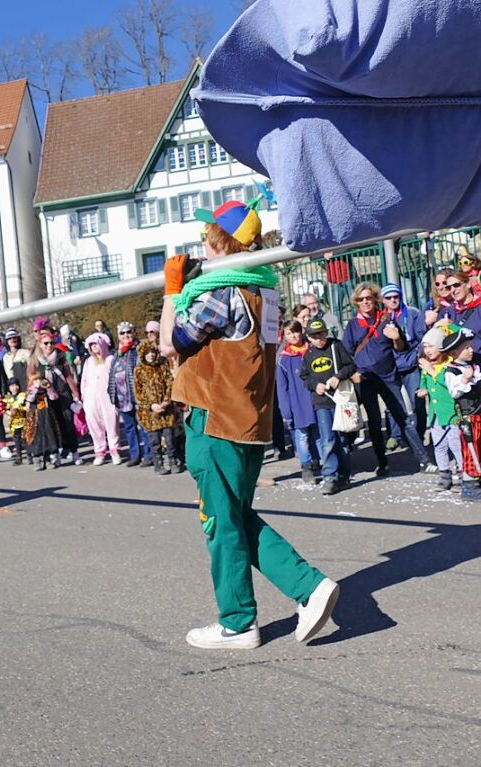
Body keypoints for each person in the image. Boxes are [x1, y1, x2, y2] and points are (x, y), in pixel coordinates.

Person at [159, 199, 339, 650]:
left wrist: (171, 290)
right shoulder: (267, 293)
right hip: (250, 421)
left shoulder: (223, 293)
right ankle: (307, 588)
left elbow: (169, 344)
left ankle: (240, 621)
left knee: (219, 522)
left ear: (222, 240)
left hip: (215, 419)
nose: (202, 241)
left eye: (207, 234)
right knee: (234, 517)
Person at [342, 281, 432, 475]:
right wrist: (354, 373)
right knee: (374, 421)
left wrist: (396, 337)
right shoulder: (352, 324)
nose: (365, 302)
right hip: (365, 379)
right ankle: (382, 462)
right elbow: (346, 353)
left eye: (368, 298)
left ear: (375, 300)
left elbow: (399, 348)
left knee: (403, 418)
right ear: (356, 302)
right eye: (361, 299)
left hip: (388, 377)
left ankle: (424, 460)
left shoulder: (386, 320)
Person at [301, 318, 356, 495]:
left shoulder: (336, 346)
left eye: (321, 334)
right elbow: (305, 377)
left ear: (326, 333)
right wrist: (314, 385)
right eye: (314, 335)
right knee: (327, 439)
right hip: (322, 402)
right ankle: (329, 476)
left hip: (340, 400)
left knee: (342, 439)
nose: (319, 338)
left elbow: (351, 366)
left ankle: (344, 475)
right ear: (309, 338)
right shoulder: (308, 354)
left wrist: (338, 377)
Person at [417, 327, 465, 491]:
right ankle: (444, 476)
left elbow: (449, 387)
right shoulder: (427, 367)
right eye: (425, 347)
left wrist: (431, 371)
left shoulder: (448, 366)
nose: (427, 350)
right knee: (439, 446)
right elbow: (424, 382)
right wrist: (423, 389)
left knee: (456, 445)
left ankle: (463, 475)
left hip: (451, 414)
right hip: (435, 415)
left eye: (431, 346)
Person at [381, 283, 427, 449]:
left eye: (396, 296)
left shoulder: (413, 313)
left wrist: (416, 357)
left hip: (410, 365)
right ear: (383, 300)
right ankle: (395, 436)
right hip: (391, 367)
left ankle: (418, 435)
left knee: (417, 403)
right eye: (389, 298)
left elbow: (422, 338)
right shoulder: (382, 318)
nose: (393, 300)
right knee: (393, 403)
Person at [29, 329, 83, 465]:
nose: (49, 346)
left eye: (51, 343)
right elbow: (31, 379)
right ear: (40, 344)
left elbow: (69, 377)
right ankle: (55, 453)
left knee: (68, 423)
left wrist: (76, 395)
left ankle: (74, 452)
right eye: (46, 343)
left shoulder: (60, 357)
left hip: (63, 394)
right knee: (52, 426)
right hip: (45, 397)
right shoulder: (36, 360)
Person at [276, 320, 320, 484]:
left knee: (318, 434)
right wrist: (286, 411)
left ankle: (318, 461)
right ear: (284, 336)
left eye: (295, 331)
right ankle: (306, 466)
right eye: (289, 333)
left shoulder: (313, 350)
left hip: (315, 399)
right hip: (297, 404)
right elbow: (282, 388)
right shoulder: (284, 360)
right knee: (301, 436)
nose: (293, 336)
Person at [443, 326, 481, 500]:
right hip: (469, 417)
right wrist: (465, 378)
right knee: (470, 451)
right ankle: (469, 486)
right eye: (466, 347)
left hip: (479, 413)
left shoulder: (474, 365)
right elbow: (455, 392)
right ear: (454, 352)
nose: (470, 349)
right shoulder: (452, 370)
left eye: (470, 346)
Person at [106, 322, 150, 467]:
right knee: (129, 428)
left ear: (134, 333)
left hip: (137, 396)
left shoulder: (138, 350)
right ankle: (134, 455)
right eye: (122, 333)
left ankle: (149, 455)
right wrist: (112, 395)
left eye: (128, 332)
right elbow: (112, 375)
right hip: (123, 398)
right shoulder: (116, 354)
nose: (126, 335)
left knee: (143, 426)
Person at [133, 340, 180, 475]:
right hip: (150, 413)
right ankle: (158, 463)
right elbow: (139, 392)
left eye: (152, 352)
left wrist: (166, 402)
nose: (151, 355)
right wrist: (151, 405)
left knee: (169, 438)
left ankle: (172, 461)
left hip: (166, 410)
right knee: (154, 440)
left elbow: (170, 384)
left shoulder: (162, 366)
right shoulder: (139, 371)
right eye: (147, 353)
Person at [80, 332, 121, 466]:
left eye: (96, 344)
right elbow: (84, 380)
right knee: (94, 424)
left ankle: (114, 450)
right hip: (91, 398)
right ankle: (100, 451)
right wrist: (84, 396)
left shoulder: (110, 359)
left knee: (111, 423)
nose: (94, 347)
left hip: (108, 397)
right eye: (91, 345)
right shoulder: (88, 362)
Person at [25, 370, 61, 471]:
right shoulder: (30, 390)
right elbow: (29, 399)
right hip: (35, 416)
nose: (38, 381)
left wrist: (49, 388)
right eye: (35, 379)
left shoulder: (45, 388)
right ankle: (37, 460)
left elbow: (54, 397)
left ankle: (48, 458)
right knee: (37, 437)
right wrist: (36, 388)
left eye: (39, 379)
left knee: (48, 435)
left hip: (46, 414)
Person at [3, 379, 28, 465]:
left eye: (16, 385)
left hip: (23, 420)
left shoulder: (22, 395)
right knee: (16, 440)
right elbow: (5, 409)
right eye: (12, 386)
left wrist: (19, 409)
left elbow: (26, 407)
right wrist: (10, 412)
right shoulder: (7, 398)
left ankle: (30, 456)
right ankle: (19, 457)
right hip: (13, 422)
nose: (14, 388)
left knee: (26, 438)